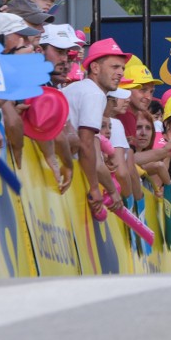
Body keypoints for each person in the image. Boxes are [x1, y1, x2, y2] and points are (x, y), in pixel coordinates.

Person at [62, 38, 131, 217]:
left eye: (122, 68)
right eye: (114, 67)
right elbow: (86, 144)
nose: (120, 73)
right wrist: (95, 188)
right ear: (95, 68)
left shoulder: (82, 89)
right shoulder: (94, 93)